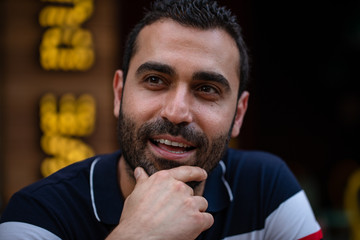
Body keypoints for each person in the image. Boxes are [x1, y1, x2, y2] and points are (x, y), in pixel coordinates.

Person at [0, 0, 323, 239]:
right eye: (155, 80)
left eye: (207, 89)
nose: (176, 112)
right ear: (119, 93)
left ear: (238, 115)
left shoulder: (266, 190)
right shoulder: (36, 216)